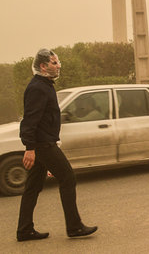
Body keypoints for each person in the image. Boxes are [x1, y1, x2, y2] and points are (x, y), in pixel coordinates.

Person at [17, 49, 98, 241]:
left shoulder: (44, 85)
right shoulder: (38, 87)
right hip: (42, 145)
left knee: (33, 186)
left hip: (44, 144)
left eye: (58, 62)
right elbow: (29, 120)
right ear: (43, 66)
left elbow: (45, 119)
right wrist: (29, 148)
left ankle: (24, 230)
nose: (59, 65)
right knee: (68, 178)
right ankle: (74, 227)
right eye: (54, 62)